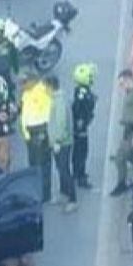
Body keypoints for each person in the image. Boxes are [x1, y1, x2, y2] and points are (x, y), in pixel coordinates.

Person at [110, 69, 133, 195]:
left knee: (120, 158)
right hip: (128, 128)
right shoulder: (131, 91)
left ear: (129, 79)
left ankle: (122, 184)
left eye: (122, 83)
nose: (121, 87)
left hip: (132, 130)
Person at [20, 72, 53, 204]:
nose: (21, 86)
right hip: (31, 134)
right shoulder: (27, 93)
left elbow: (48, 112)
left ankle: (44, 194)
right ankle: (37, 191)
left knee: (41, 164)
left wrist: (45, 132)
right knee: (34, 164)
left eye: (24, 83)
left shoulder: (42, 92)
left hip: (40, 131)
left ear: (32, 81)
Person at [48, 75, 77, 212]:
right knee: (60, 169)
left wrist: (57, 140)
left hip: (62, 143)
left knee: (65, 170)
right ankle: (63, 193)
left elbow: (61, 123)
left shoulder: (59, 102)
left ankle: (72, 199)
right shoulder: (57, 99)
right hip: (59, 142)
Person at [71, 62, 97, 189]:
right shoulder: (82, 94)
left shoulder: (81, 91)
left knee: (79, 152)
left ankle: (78, 173)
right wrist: (81, 124)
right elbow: (80, 110)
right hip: (80, 130)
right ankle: (80, 176)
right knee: (81, 152)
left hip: (80, 127)